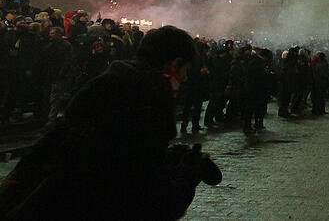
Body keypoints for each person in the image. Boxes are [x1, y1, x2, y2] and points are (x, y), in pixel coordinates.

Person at [0, 25, 220, 220]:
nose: (185, 79)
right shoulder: (147, 114)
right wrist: (188, 175)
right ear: (175, 63)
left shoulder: (105, 90)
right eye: (185, 71)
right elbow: (153, 206)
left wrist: (165, 159)